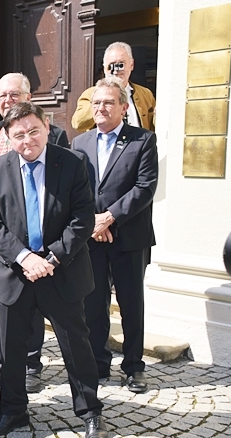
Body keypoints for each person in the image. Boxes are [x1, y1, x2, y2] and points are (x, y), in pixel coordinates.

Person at [0, 101, 109, 438]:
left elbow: (83, 218)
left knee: (75, 344)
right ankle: (12, 410)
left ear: (47, 128)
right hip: (15, 272)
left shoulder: (72, 163)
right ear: (9, 137)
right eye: (18, 134)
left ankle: (90, 411)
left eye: (33, 131)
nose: (27, 140)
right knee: (10, 348)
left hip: (61, 271)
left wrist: (51, 259)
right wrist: (23, 257)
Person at [0, 73, 70, 394]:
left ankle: (30, 364)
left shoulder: (52, 135)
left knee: (31, 302)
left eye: (14, 94)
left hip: (32, 237)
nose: (7, 101)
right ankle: (1, 361)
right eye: (1, 96)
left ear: (29, 97)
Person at [72, 76, 158, 393]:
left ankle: (134, 366)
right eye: (96, 102)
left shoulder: (143, 140)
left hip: (129, 238)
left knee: (131, 304)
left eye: (108, 102)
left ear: (123, 107)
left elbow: (144, 188)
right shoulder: (80, 143)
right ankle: (98, 363)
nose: (101, 108)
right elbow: (76, 191)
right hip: (91, 239)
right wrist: (92, 222)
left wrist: (109, 217)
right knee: (93, 305)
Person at [72, 41, 156, 133]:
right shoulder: (91, 94)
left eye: (121, 64)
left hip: (138, 145)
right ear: (104, 68)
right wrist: (100, 100)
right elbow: (78, 123)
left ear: (131, 65)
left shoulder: (145, 94)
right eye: (111, 65)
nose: (116, 70)